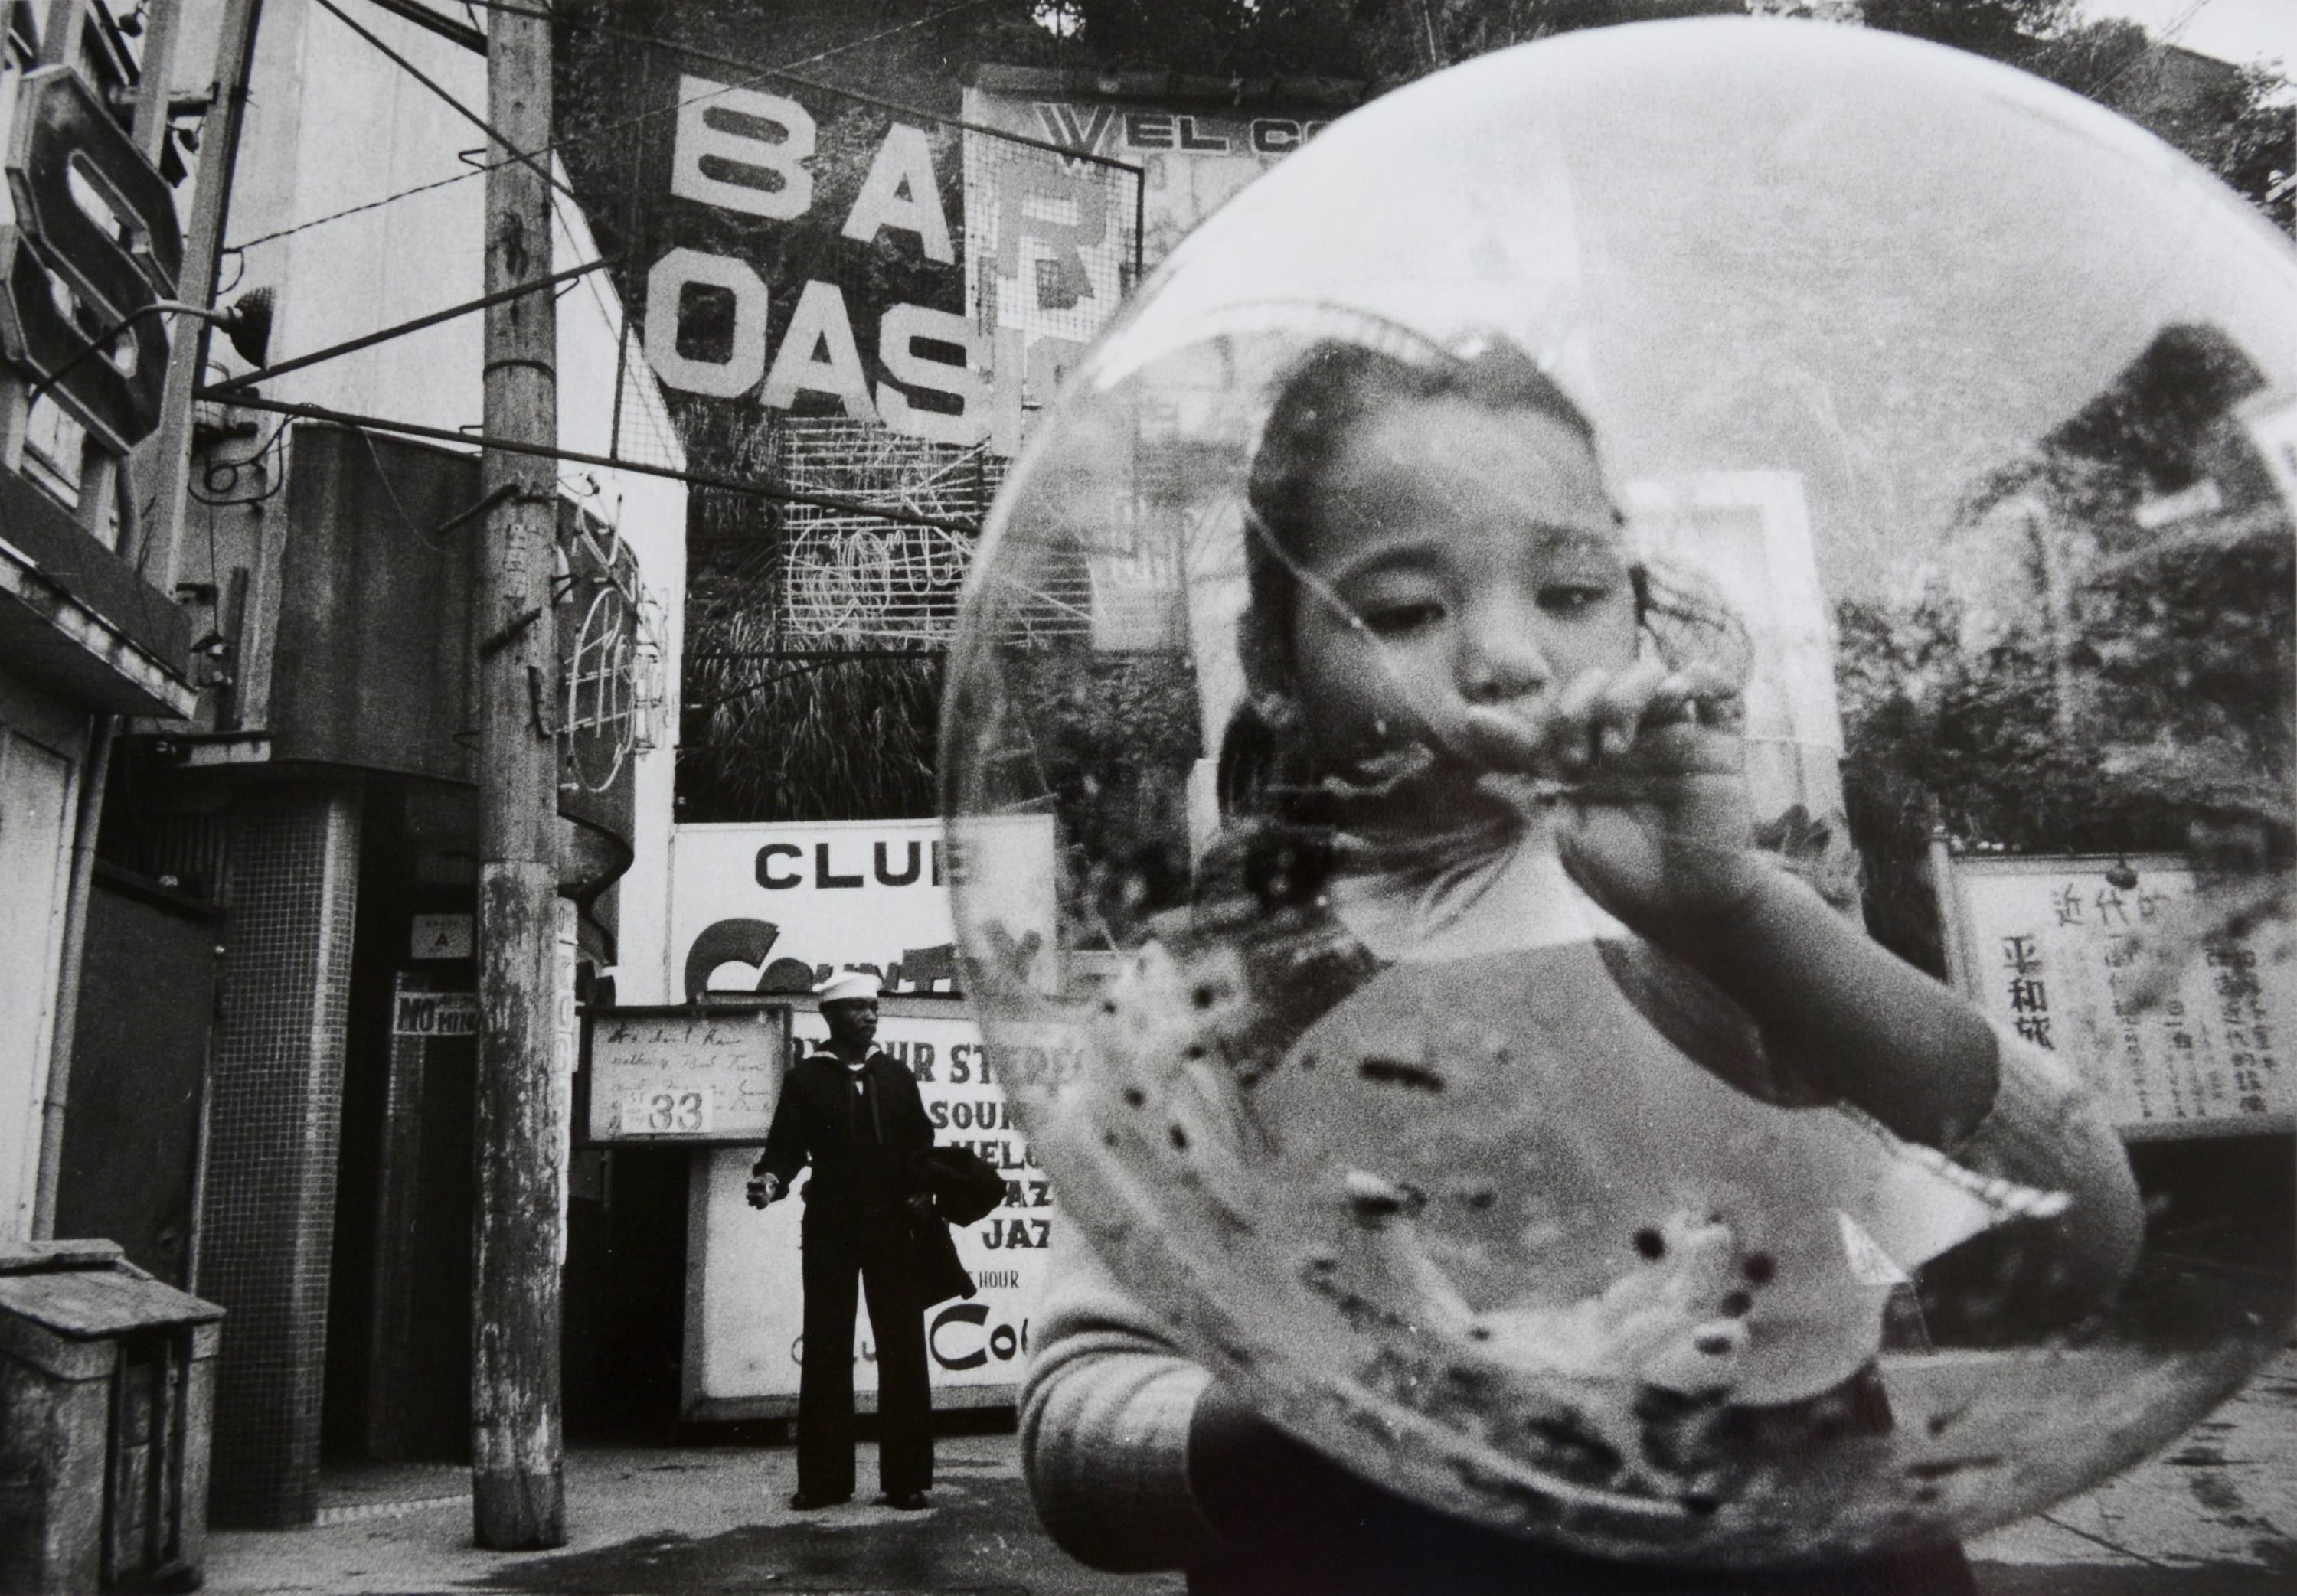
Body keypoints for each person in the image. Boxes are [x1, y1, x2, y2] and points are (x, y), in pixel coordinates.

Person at [1018, 331, 2146, 1593]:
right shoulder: (1217, 990)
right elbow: (1081, 1441)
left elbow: (2079, 1249)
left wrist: (1738, 917)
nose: (1508, 657)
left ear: (1637, 603)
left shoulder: (1739, 923)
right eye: (1403, 608)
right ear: (1278, 660)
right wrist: (1408, 1398)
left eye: (1568, 589)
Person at [750, 971, 938, 1511]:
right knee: (827, 1346)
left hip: (892, 1230)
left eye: (872, 1007)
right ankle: (824, 1481)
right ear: (829, 1018)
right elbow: (785, 1148)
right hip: (831, 1227)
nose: (868, 1016)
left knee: (902, 1347)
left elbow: (921, 1146)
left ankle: (905, 1479)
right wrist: (770, 1180)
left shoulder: (898, 1076)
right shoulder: (806, 1080)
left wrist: (923, 1191)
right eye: (855, 1008)